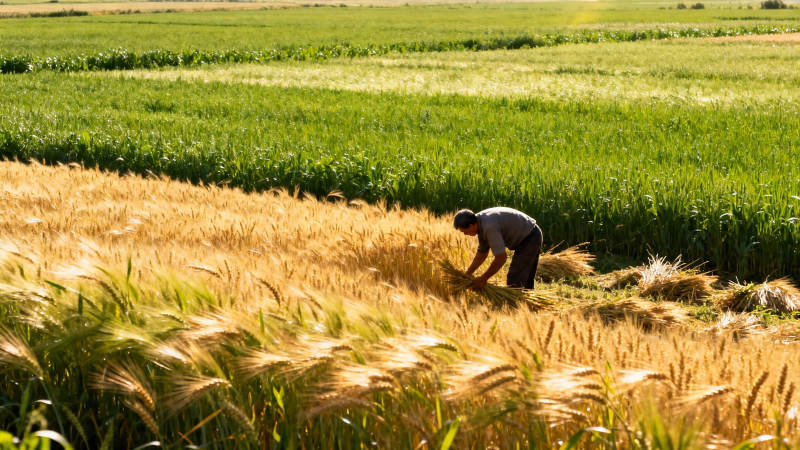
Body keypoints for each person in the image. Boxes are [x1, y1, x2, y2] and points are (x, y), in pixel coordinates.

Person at [453, 207, 543, 291]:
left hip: (530, 237)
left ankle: (515, 306)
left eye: (465, 231)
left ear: (472, 225)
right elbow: (481, 254)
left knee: (515, 280)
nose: (465, 234)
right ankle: (529, 305)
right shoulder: (479, 222)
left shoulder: (489, 227)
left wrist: (483, 278)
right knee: (524, 280)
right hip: (529, 234)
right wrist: (467, 274)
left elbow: (501, 258)